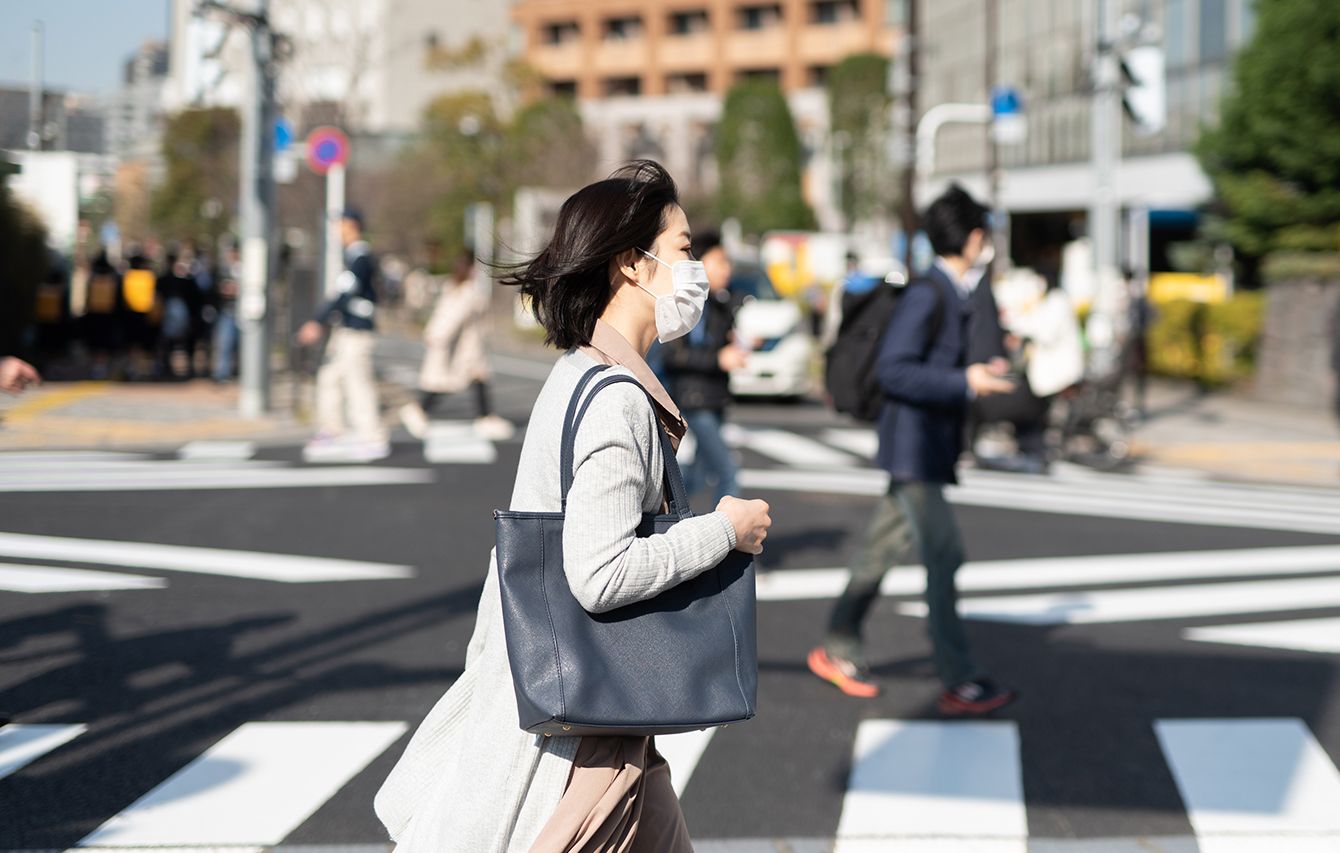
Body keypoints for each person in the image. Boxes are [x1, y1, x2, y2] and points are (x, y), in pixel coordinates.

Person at [374, 161, 772, 852]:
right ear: (632, 264)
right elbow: (599, 570)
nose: (696, 269)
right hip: (582, 740)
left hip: (607, 722)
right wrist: (724, 530)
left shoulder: (580, 373)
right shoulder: (616, 398)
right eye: (681, 250)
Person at [807, 184, 1019, 715]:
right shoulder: (930, 292)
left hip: (923, 449)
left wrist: (977, 370)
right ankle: (958, 676)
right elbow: (895, 370)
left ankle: (839, 644)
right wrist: (965, 381)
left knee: (879, 553)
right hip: (915, 450)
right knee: (945, 556)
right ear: (973, 238)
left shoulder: (953, 290)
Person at [661, 230, 745, 503]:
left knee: (696, 477)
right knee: (727, 471)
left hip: (713, 397)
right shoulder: (689, 304)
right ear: (700, 264)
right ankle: (729, 542)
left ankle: (661, 514)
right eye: (720, 261)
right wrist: (719, 358)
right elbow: (673, 354)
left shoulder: (719, 303)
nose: (727, 269)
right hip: (694, 399)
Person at [298, 209, 389, 461]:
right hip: (346, 330)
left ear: (353, 226)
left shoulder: (361, 257)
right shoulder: (352, 256)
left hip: (357, 332)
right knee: (330, 376)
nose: (337, 231)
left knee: (358, 382)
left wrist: (317, 322)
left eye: (340, 225)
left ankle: (373, 437)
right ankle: (332, 429)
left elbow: (344, 294)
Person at [398, 249, 514, 441]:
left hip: (464, 347)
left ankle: (485, 418)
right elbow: (453, 317)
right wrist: (438, 336)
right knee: (446, 383)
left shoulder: (452, 287)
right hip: (464, 348)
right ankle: (418, 410)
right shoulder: (467, 291)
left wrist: (434, 334)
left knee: (476, 380)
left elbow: (443, 315)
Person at [211, 243, 241, 382]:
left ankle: (240, 372)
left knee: (242, 345)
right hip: (227, 311)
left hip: (242, 311)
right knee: (224, 343)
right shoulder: (223, 270)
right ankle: (222, 374)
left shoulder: (245, 269)